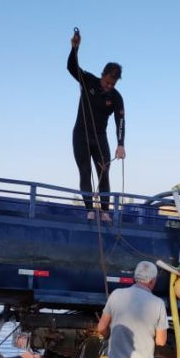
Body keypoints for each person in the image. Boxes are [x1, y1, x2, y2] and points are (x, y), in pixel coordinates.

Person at [68, 28, 125, 219]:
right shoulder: (89, 81)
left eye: (113, 84)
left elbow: (120, 120)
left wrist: (120, 144)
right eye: (107, 82)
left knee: (103, 172)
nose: (109, 86)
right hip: (81, 135)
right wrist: (75, 48)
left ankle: (105, 211)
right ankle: (90, 210)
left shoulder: (116, 98)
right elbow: (71, 67)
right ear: (103, 75)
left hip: (99, 137)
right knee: (85, 171)